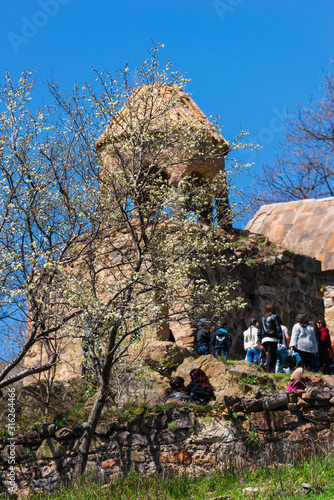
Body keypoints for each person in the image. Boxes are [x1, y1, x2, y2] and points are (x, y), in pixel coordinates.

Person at [257, 304, 282, 373]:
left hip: (264, 339)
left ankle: (268, 369)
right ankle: (269, 371)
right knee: (272, 355)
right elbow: (278, 328)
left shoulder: (261, 318)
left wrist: (260, 340)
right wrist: (280, 339)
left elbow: (259, 330)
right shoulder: (275, 317)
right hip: (272, 339)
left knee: (268, 354)